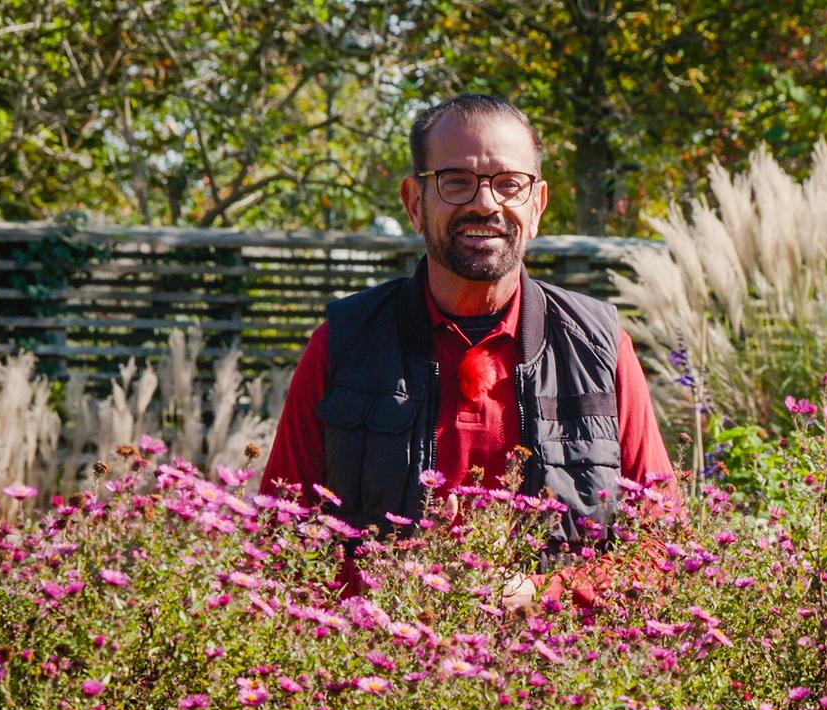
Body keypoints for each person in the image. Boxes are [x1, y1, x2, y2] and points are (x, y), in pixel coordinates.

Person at [261, 94, 679, 610]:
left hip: (558, 673)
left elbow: (663, 547)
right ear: (415, 202)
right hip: (380, 666)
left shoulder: (600, 349)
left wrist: (547, 593)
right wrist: (389, 599)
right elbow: (279, 539)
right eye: (456, 181)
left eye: (510, 184)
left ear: (537, 204)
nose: (486, 204)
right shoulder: (343, 346)